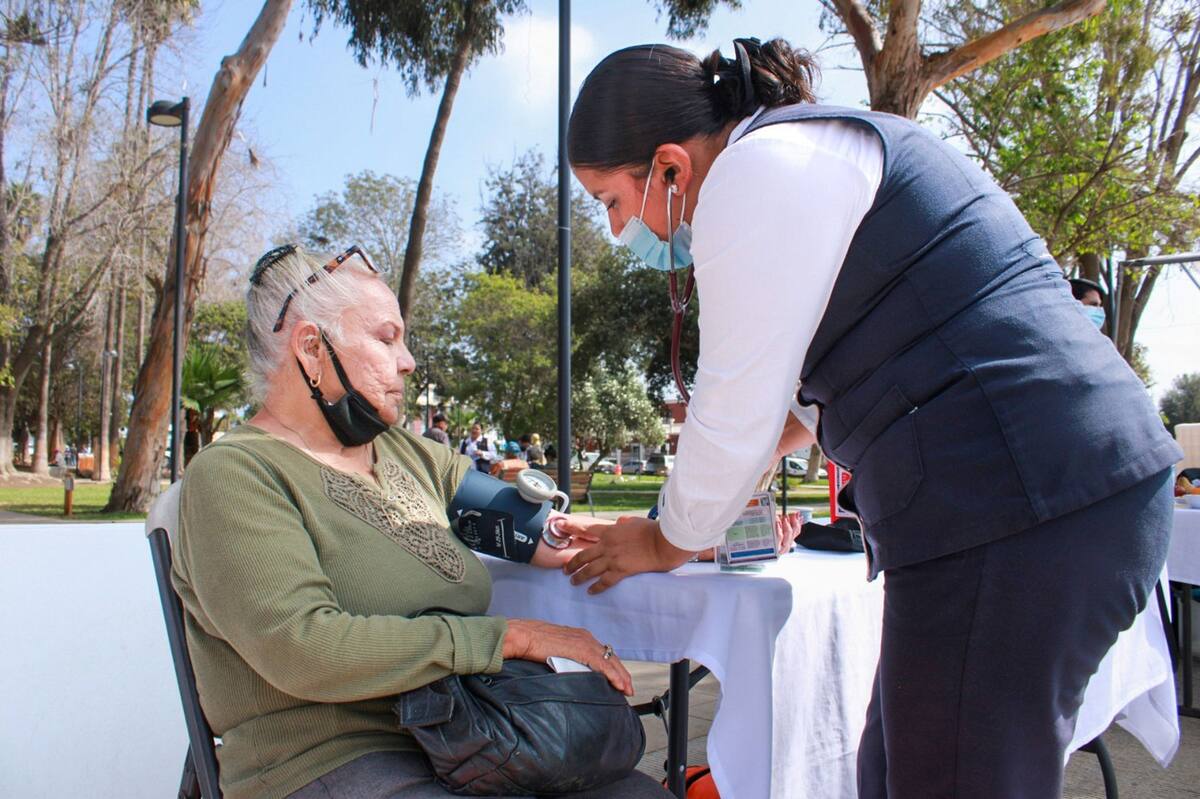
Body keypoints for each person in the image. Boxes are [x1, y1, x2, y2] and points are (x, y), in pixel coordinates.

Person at [556, 38, 1182, 797]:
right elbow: (817, 399)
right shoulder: (809, 150)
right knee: (891, 771)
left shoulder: (753, 176)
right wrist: (717, 497)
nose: (621, 230)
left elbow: (732, 411)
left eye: (611, 203)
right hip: (1047, 491)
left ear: (668, 167)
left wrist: (659, 540)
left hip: (1022, 501)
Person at [172, 244, 668, 799]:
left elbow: (540, 531)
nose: (407, 360)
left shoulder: (407, 454)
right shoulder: (236, 473)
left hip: (471, 736)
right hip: (332, 759)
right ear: (311, 348)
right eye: (387, 338)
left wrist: (671, 540)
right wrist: (511, 636)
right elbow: (304, 649)